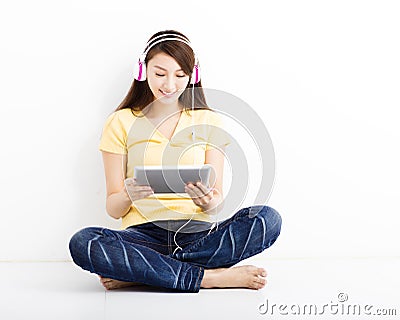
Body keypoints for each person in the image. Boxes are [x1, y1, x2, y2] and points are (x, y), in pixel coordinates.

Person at [68, 30, 282, 293]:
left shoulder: (208, 120)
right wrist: (128, 195)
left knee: (267, 219)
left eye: (180, 75)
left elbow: (216, 203)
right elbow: (113, 208)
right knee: (84, 241)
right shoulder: (120, 122)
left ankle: (144, 272)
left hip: (199, 236)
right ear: (142, 70)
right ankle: (208, 278)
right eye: (160, 74)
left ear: (193, 75)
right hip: (142, 237)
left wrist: (207, 200)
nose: (169, 85)